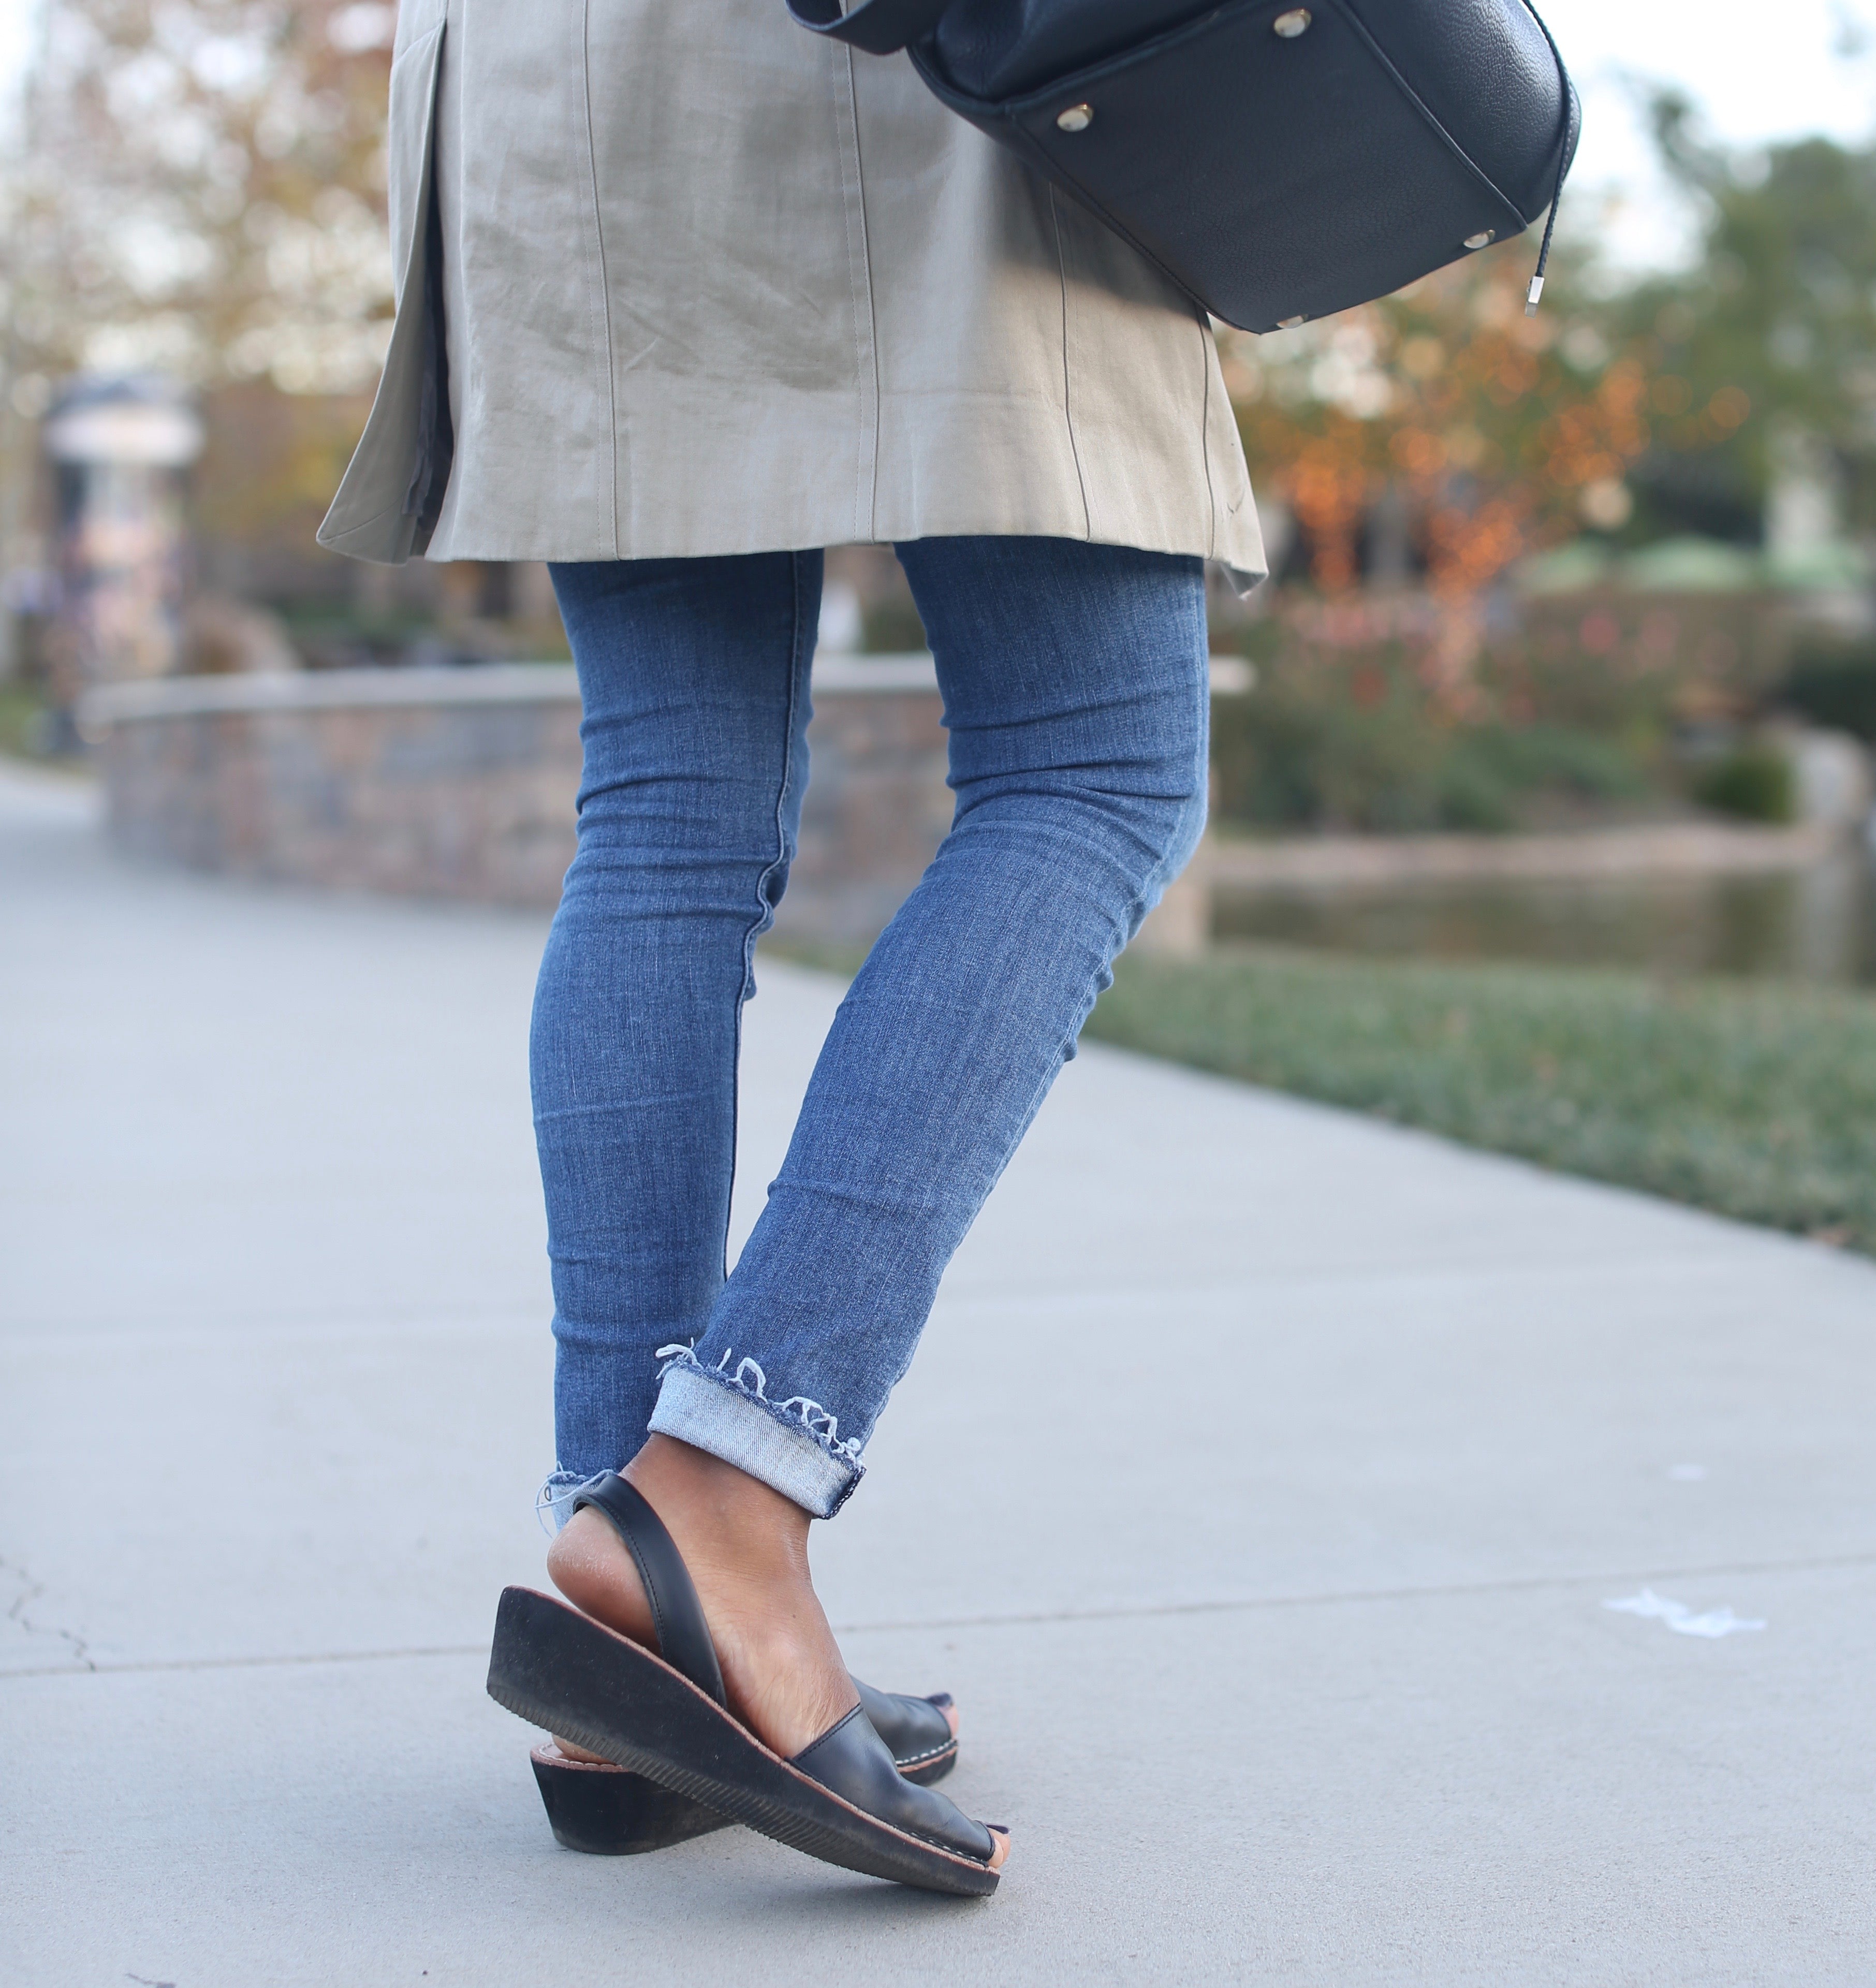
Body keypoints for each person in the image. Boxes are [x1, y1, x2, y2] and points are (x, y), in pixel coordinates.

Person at [321, 0, 1263, 1897]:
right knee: (1095, 770)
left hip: (559, 76)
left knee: (668, 812)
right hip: (928, 75)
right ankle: (733, 1490)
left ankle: (631, 1628)